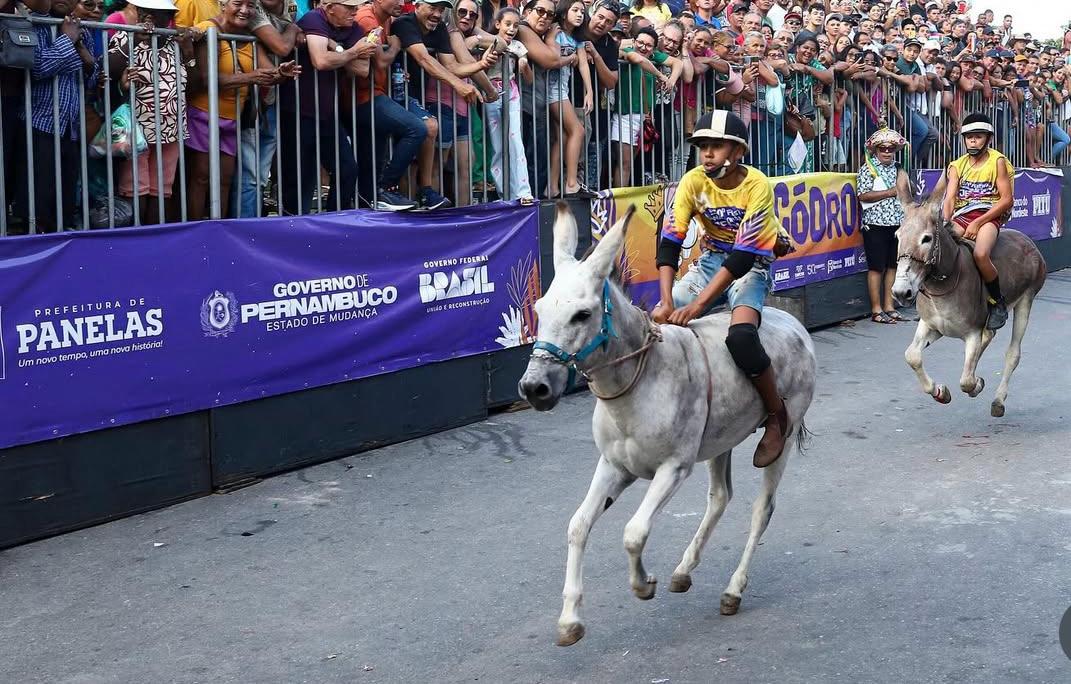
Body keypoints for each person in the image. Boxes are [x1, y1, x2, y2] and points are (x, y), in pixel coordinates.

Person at [651, 110, 792, 468]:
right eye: (702, 147)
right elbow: (669, 241)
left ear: (737, 151)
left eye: (715, 146)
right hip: (711, 260)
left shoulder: (757, 184)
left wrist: (698, 306)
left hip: (750, 265)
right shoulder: (692, 181)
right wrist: (667, 300)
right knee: (655, 322)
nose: (707, 154)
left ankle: (776, 415)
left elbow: (744, 257)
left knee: (742, 337)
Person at [942, 112, 1014, 330]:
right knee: (938, 246)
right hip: (962, 215)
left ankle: (997, 301)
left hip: (989, 215)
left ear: (988, 138)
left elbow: (1007, 200)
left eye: (978, 136)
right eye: (969, 136)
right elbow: (950, 197)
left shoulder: (997, 161)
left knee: (980, 254)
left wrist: (978, 222)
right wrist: (946, 222)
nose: (973, 140)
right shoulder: (956, 165)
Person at [856, 127, 910, 324]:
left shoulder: (899, 169)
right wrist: (890, 192)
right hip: (875, 224)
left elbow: (906, 192)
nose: (887, 152)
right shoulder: (867, 168)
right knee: (876, 267)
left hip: (897, 224)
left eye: (890, 149)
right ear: (876, 151)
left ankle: (889, 305)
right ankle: (876, 309)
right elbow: (862, 195)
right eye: (883, 149)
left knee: (892, 266)